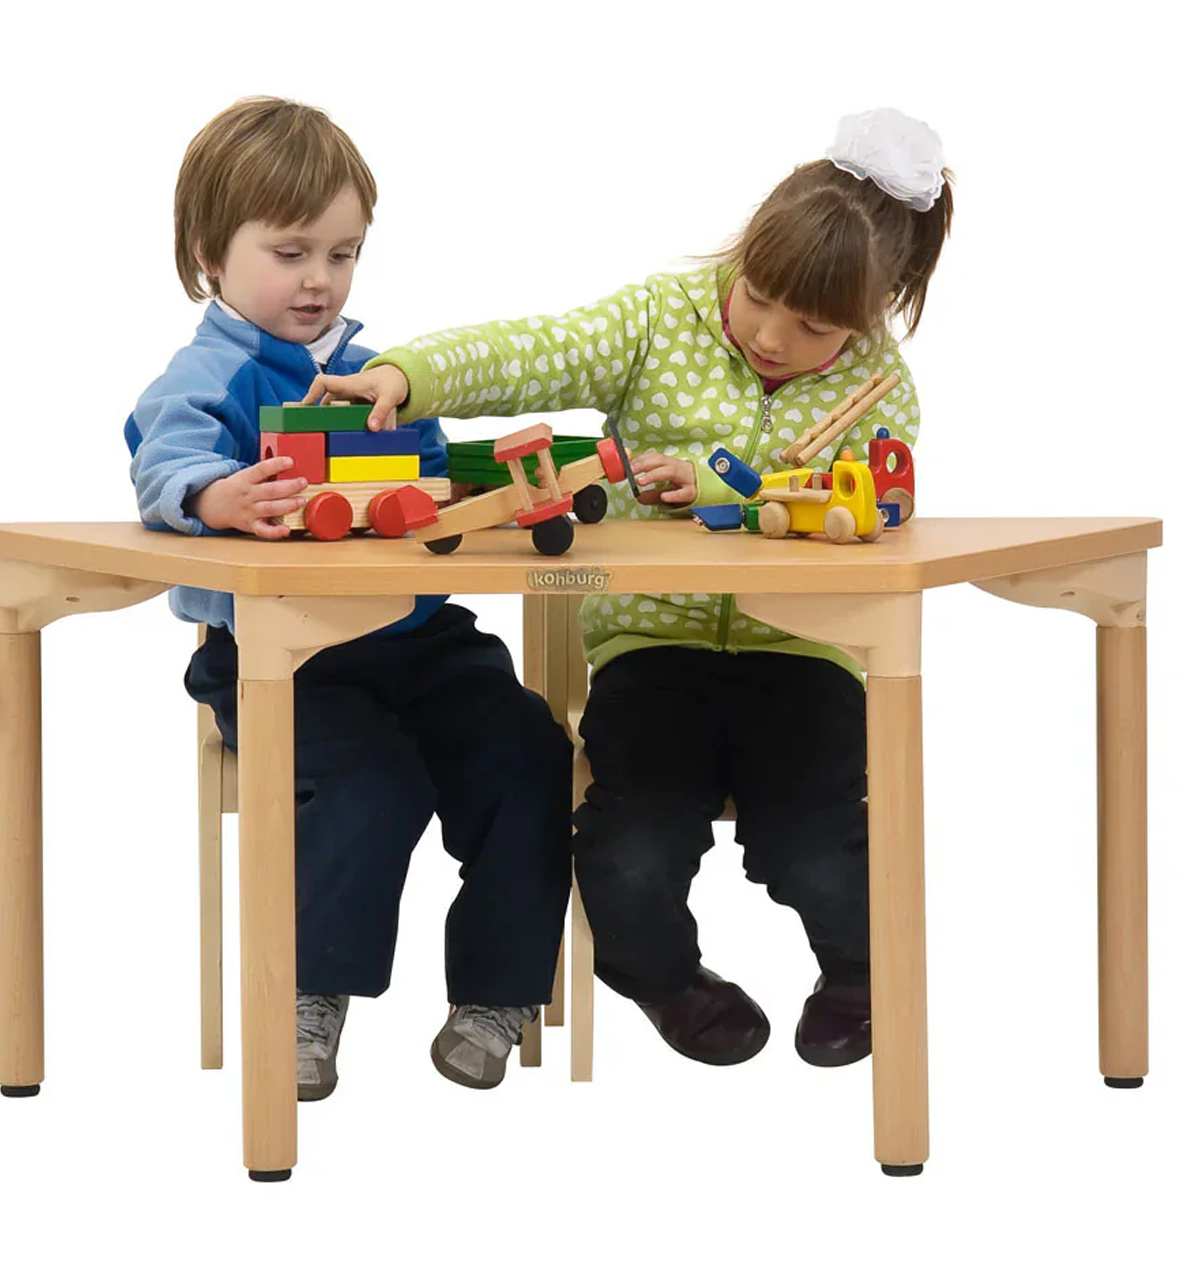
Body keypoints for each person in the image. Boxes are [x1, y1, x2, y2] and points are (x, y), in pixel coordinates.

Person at [301, 108, 954, 1071]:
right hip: (652, 657)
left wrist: (736, 492)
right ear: (745, 252)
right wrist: (409, 372)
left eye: (814, 327)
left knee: (819, 841)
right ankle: (665, 981)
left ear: (871, 312)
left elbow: (870, 508)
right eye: (758, 296)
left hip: (803, 655)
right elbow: (535, 350)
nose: (771, 335)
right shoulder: (660, 319)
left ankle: (863, 975)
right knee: (628, 850)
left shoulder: (880, 386)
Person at [124, 96, 573, 1096]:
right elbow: (163, 460)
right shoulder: (208, 374)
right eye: (289, 254)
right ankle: (307, 991)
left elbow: (427, 484)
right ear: (209, 255)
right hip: (285, 658)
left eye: (342, 253)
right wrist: (212, 494)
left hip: (417, 639)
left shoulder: (375, 374)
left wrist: (451, 496)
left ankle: (497, 993)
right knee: (373, 781)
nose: (318, 279)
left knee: (529, 749)